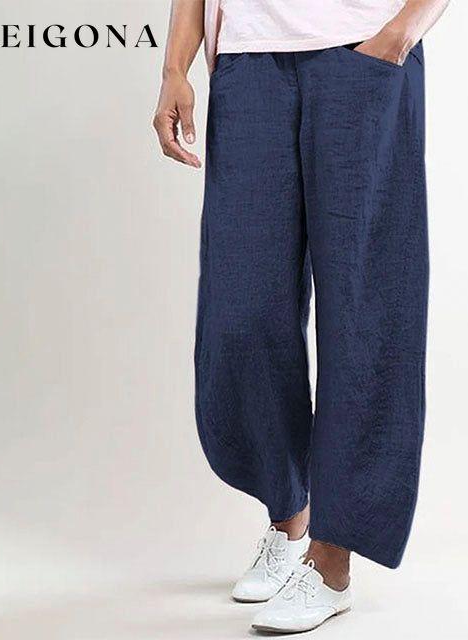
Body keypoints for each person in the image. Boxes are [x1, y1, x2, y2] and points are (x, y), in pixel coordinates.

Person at [154, 0, 450, 633]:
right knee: (242, 312)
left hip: (361, 53)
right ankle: (289, 518)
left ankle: (331, 560)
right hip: (248, 64)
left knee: (365, 311)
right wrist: (175, 67)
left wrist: (401, 34)